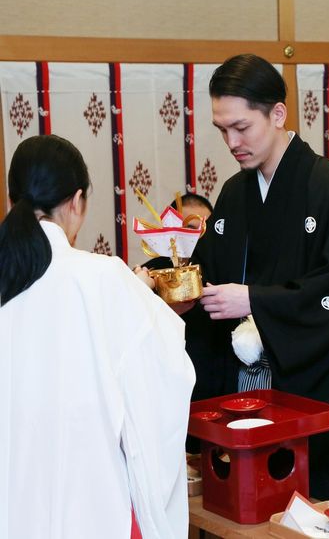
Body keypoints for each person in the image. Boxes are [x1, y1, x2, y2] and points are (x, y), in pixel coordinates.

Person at [181, 53, 329, 502]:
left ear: (277, 114)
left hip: (301, 389)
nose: (232, 142)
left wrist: (254, 300)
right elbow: (209, 275)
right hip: (243, 386)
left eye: (241, 127)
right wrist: (173, 287)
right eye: (222, 130)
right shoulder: (235, 193)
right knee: (243, 506)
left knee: (298, 506)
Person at [0, 135, 195, 539]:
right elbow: (165, 378)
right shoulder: (103, 277)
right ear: (76, 201)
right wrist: (145, 300)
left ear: (11, 199)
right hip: (90, 506)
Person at [141, 192, 213, 270]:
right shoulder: (150, 272)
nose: (200, 236)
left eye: (205, 229)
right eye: (191, 230)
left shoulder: (219, 271)